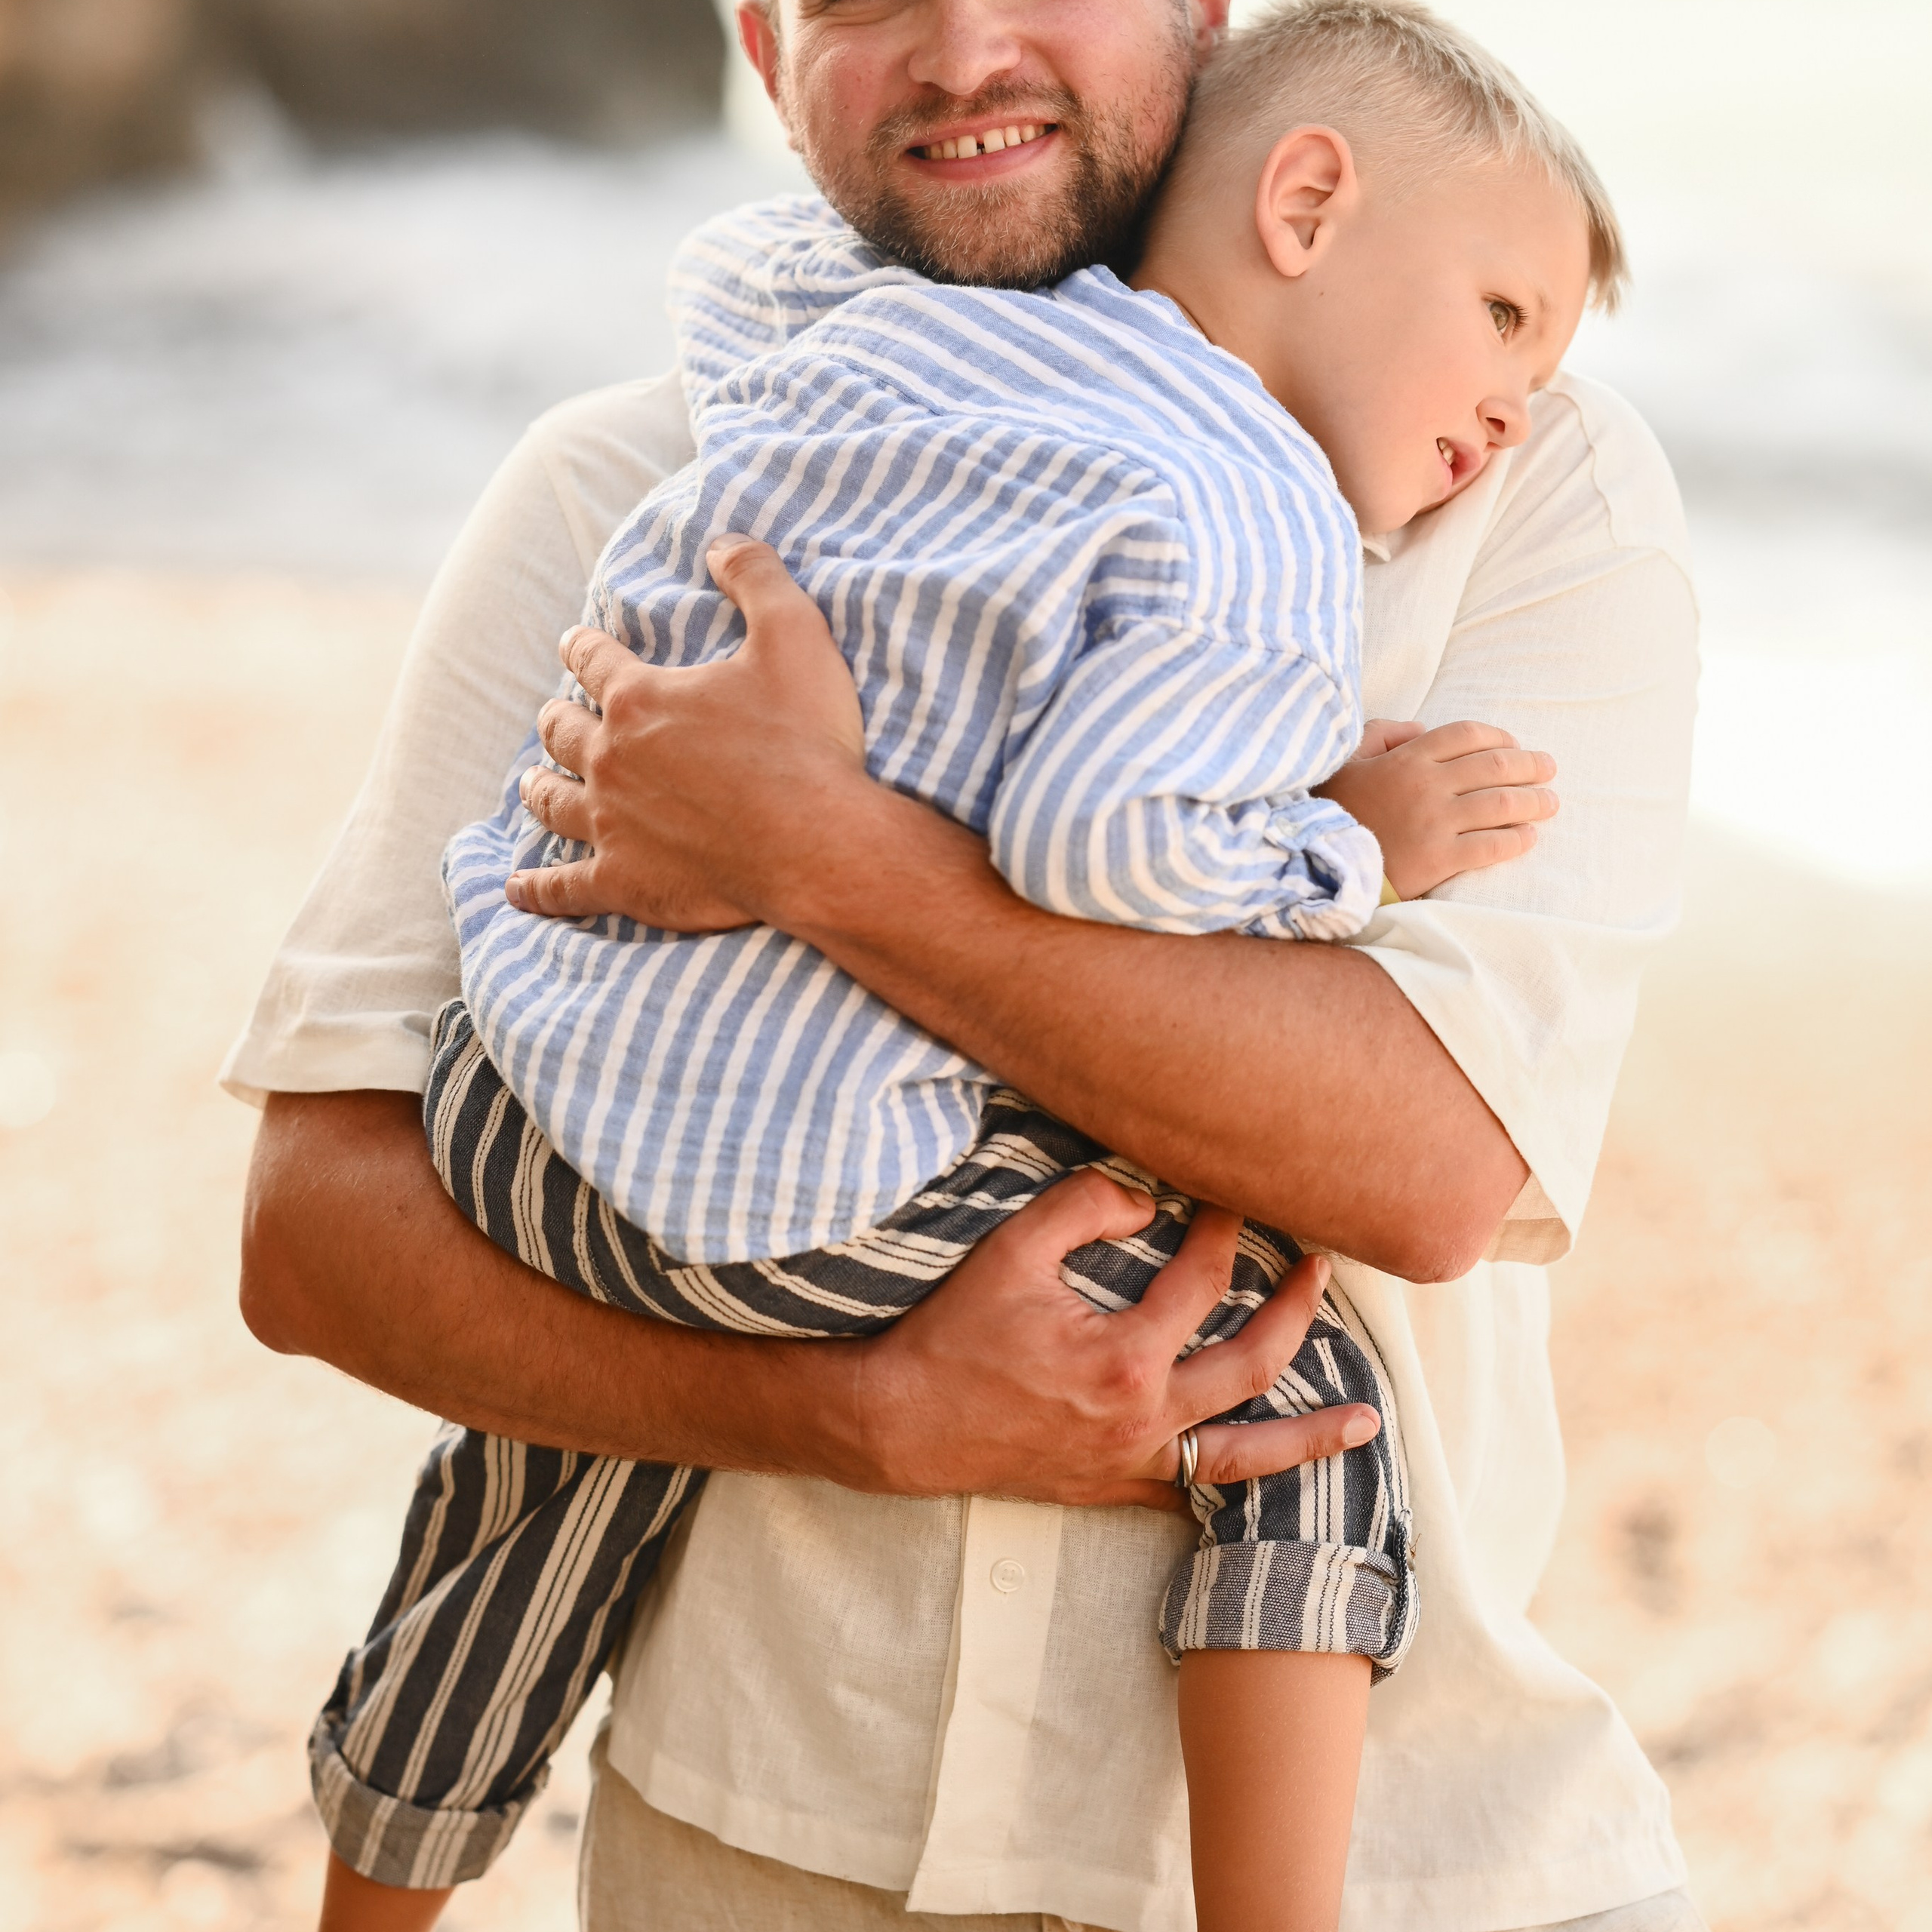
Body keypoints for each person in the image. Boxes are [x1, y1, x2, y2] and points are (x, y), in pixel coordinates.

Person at [230, 2, 1702, 1929]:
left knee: (585, 1346)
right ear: (764, 51)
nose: (961, 47)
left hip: (1430, 1856)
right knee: (597, 1316)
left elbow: (1431, 1164)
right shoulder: (636, 473)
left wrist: (827, 857)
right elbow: (312, 1233)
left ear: (1198, 15)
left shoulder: (1514, 470)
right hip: (762, 1847)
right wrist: (851, 1412)